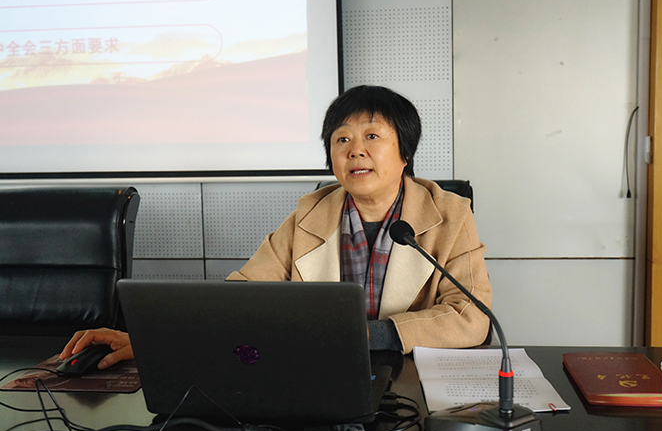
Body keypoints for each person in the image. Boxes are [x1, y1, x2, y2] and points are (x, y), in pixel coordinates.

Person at [60, 85, 492, 370]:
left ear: (405, 152)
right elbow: (241, 299)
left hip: (411, 377)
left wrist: (371, 335)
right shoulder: (310, 215)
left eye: (372, 137)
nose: (355, 151)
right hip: (319, 374)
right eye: (342, 139)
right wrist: (151, 339)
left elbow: (471, 317)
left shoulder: (450, 214)